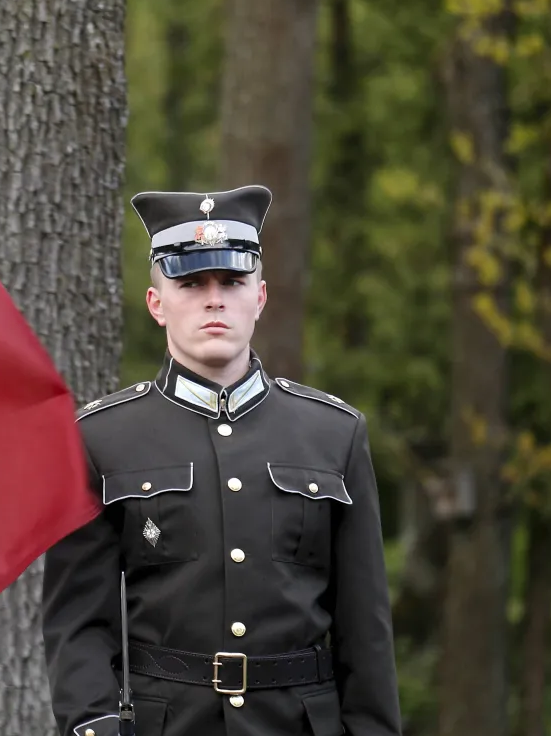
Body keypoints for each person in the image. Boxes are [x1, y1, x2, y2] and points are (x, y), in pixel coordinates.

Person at [42, 185, 400, 736]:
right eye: (191, 284)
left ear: (259, 298)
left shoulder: (334, 434)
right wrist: (96, 725)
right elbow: (78, 623)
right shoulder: (102, 439)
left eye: (232, 282)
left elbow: (365, 629)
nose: (214, 299)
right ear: (157, 305)